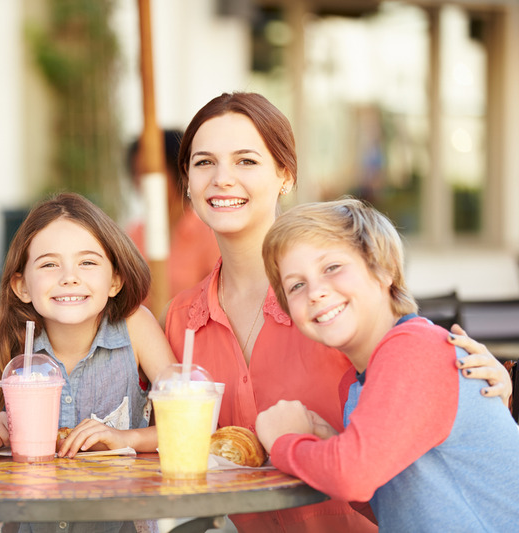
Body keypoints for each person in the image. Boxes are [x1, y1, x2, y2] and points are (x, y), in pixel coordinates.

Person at [163, 92, 512, 533]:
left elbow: (420, 397)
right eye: (204, 162)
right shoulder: (182, 319)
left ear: (285, 174)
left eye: (246, 160)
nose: (222, 178)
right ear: (188, 182)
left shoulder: (343, 313)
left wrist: (494, 385)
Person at [256, 198, 519, 532]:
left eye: (332, 267)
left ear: (383, 269)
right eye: (296, 285)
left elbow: (353, 477)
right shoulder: (355, 383)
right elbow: (386, 499)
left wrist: (284, 441)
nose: (315, 292)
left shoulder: (415, 349)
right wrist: (328, 442)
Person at [0, 192, 176, 533]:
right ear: (21, 285)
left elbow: (188, 424)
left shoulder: (135, 326)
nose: (69, 277)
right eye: (49, 264)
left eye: (88, 262)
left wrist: (126, 439)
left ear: (115, 280)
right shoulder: (4, 324)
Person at [125, 129, 220, 300]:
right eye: (137, 173)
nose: (142, 181)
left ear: (178, 171)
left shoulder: (209, 235)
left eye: (150, 172)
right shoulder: (133, 236)